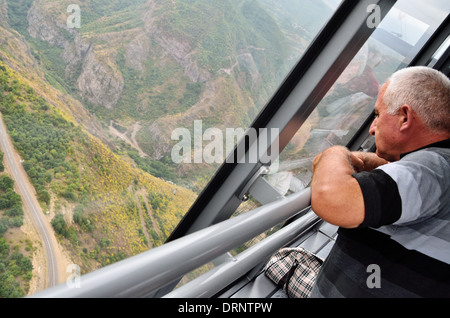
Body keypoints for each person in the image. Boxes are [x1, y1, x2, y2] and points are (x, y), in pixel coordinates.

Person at [309, 66, 450, 297]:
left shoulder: (435, 168)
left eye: (377, 115)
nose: (373, 128)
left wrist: (334, 153)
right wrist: (372, 162)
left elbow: (331, 198)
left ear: (405, 118)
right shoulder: (437, 168)